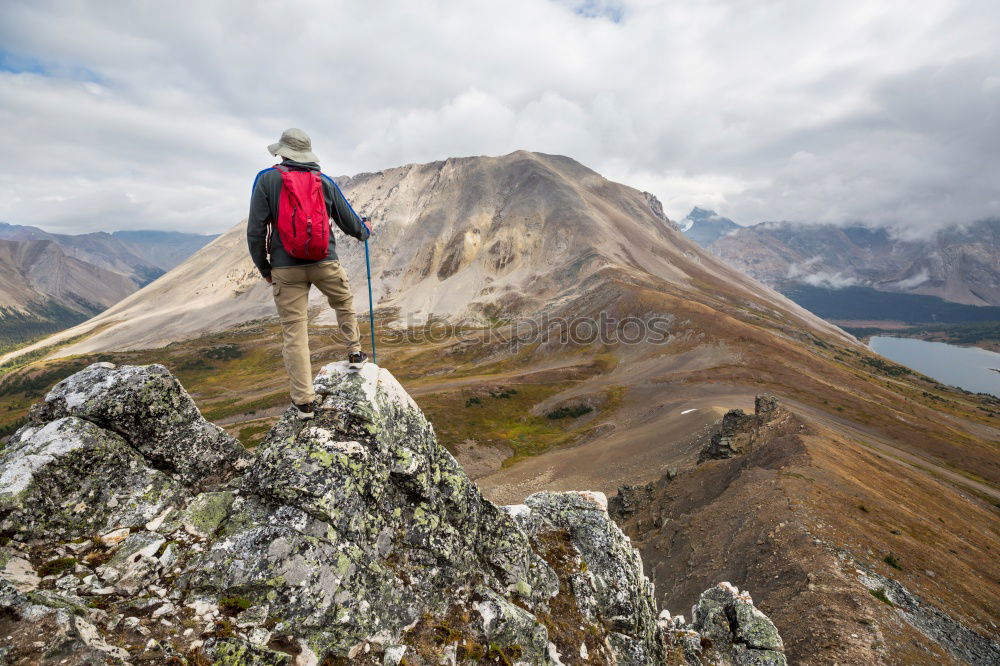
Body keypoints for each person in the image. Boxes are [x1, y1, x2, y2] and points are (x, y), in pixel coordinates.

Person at [247, 128, 370, 420]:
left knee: (295, 331)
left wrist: (266, 268)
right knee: (343, 303)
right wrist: (365, 231)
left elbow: (255, 230)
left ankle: (304, 403)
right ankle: (354, 353)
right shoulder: (324, 182)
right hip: (325, 261)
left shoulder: (266, 180)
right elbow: (350, 222)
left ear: (283, 152)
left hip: (285, 268)